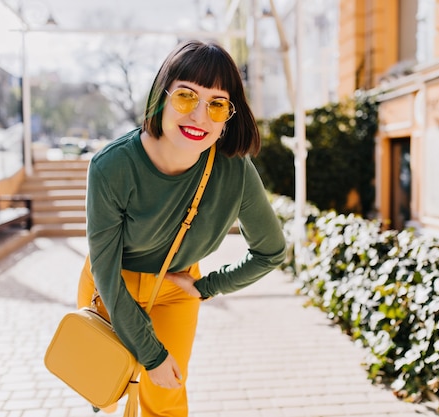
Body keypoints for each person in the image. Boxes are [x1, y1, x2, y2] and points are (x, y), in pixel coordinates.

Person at [77, 40, 287, 417]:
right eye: (187, 96)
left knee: (166, 397)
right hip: (111, 285)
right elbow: (105, 276)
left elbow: (271, 251)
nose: (200, 117)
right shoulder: (111, 167)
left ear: (228, 116)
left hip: (174, 291)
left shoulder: (234, 170)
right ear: (162, 96)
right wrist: (150, 353)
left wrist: (208, 286)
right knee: (104, 390)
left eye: (217, 104)